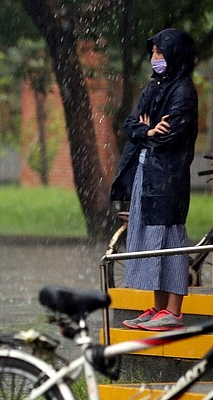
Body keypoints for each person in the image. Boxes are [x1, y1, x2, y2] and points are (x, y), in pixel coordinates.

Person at [110, 28, 198, 331]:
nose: (154, 58)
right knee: (151, 241)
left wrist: (147, 134)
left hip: (169, 180)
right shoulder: (155, 86)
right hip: (146, 176)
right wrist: (147, 130)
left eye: (159, 52)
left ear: (174, 55)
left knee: (169, 241)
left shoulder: (183, 91)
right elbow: (130, 125)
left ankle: (173, 311)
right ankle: (158, 309)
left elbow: (171, 137)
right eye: (153, 52)